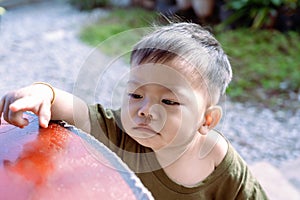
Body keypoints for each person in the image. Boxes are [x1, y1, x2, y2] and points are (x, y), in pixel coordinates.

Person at [0, 22, 268, 199]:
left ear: (207, 120)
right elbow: (74, 109)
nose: (145, 110)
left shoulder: (218, 161)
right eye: (136, 95)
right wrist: (43, 93)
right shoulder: (119, 130)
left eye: (169, 102)